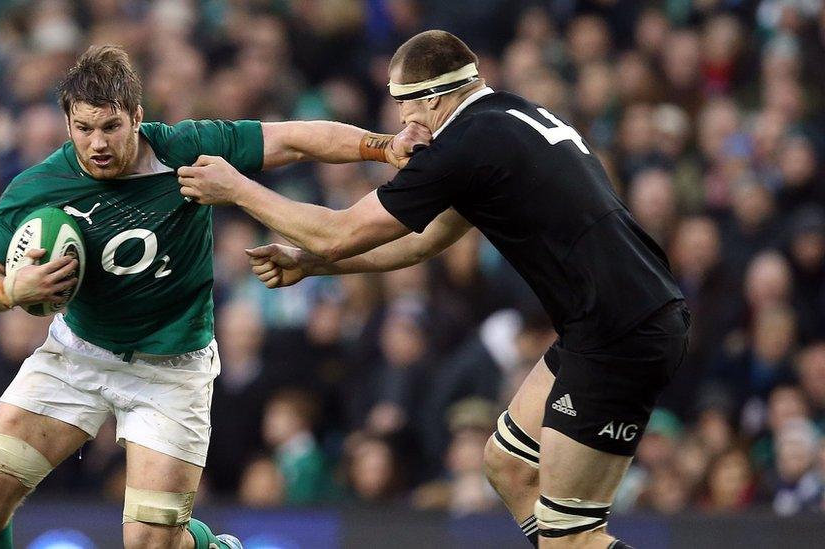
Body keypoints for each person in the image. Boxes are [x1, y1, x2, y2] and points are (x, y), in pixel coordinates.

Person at [177, 30, 690, 549]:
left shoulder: (462, 145)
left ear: (434, 98)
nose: (403, 124)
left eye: (405, 106)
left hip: (619, 329)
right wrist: (313, 266)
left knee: (571, 535)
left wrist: (236, 189)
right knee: (508, 465)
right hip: (611, 318)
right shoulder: (505, 117)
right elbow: (424, 242)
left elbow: (338, 231)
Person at [0, 45, 427, 549]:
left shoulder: (184, 149)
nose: (97, 143)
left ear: (137, 117)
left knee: (150, 544)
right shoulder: (41, 185)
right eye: (83, 128)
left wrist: (384, 146)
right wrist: (9, 289)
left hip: (171, 370)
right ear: (66, 123)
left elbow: (293, 140)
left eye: (111, 127)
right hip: (77, 354)